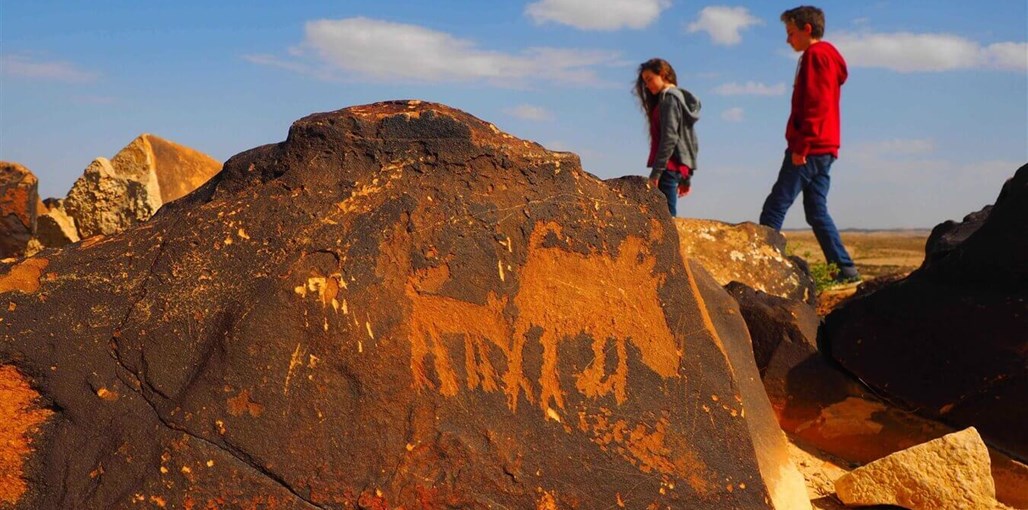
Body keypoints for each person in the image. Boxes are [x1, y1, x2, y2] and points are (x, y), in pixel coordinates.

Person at [759, 6, 860, 285]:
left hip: (810, 147)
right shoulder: (827, 57)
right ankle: (846, 271)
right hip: (825, 146)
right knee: (816, 211)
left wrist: (801, 146)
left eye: (790, 33)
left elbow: (816, 104)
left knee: (775, 208)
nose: (787, 40)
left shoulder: (816, 55)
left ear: (806, 29)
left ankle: (761, 268)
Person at [635, 58, 701, 217]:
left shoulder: (669, 99)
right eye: (645, 81)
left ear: (663, 74)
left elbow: (670, 138)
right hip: (674, 167)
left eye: (650, 79)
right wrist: (686, 175)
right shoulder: (676, 99)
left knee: (666, 217)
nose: (647, 85)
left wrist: (656, 173)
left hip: (667, 167)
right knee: (666, 215)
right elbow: (689, 140)